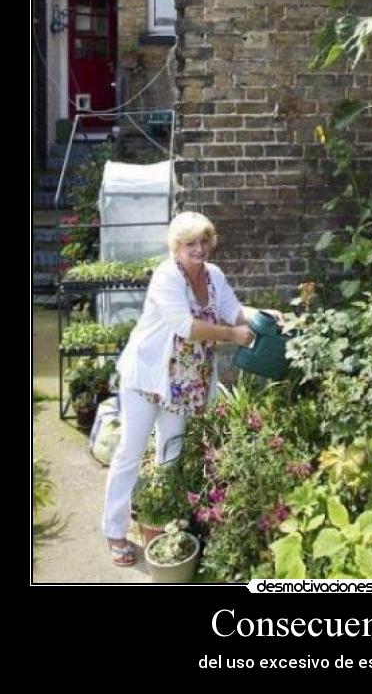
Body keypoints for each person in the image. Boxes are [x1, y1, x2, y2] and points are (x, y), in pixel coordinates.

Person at [102, 211, 256, 566]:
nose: (199, 249)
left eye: (204, 241)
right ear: (176, 247)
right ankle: (115, 530)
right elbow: (185, 326)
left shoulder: (214, 275)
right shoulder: (166, 276)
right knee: (129, 452)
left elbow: (234, 311)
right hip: (146, 379)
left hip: (182, 385)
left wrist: (266, 315)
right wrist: (232, 336)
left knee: (169, 457)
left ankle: (164, 527)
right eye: (191, 244)